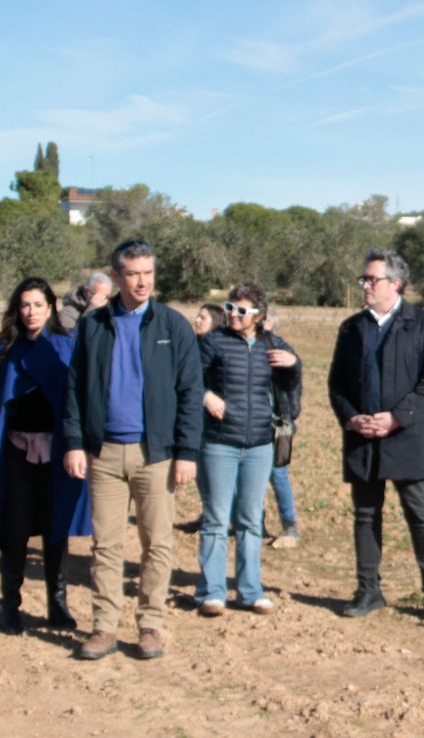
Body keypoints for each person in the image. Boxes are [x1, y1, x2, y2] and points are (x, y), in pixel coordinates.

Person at [62, 240, 203, 662]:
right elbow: (75, 388)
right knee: (105, 545)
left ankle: (150, 625)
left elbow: (190, 392)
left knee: (156, 544)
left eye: (148, 273)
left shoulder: (173, 326)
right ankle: (104, 627)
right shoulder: (93, 325)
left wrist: (187, 451)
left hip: (155, 455)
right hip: (103, 453)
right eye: (134, 274)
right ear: (117, 276)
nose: (142, 282)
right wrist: (74, 443)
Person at [327, 249, 424, 621]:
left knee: (418, 514)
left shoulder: (423, 323)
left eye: (371, 279)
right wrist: (352, 418)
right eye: (363, 279)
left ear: (395, 283)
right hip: (363, 438)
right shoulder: (352, 328)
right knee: (365, 515)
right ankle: (368, 591)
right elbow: (337, 384)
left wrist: (397, 418)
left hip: (407, 437)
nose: (364, 285)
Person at [0, 278, 89, 633]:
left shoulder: (67, 346)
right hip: (15, 452)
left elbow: (76, 401)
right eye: (24, 305)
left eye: (38, 305)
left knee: (56, 526)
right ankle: (11, 605)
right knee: (15, 527)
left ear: (51, 307)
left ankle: (57, 604)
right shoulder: (5, 348)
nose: (31, 312)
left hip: (57, 452)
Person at [195, 283, 300, 615]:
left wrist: (294, 364)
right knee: (216, 520)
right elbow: (188, 379)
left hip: (259, 446)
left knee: (251, 520)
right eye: (230, 308)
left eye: (242, 310)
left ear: (259, 315)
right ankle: (211, 592)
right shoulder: (215, 342)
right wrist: (206, 396)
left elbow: (289, 385)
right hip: (219, 443)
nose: (233, 315)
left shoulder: (271, 344)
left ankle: (250, 591)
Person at [175, 303, 226, 536]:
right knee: (202, 473)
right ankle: (209, 515)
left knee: (217, 475)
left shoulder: (221, 348)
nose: (196, 320)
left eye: (202, 317)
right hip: (197, 419)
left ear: (215, 322)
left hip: (218, 422)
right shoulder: (193, 346)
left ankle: (221, 519)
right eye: (197, 316)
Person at [261, 306, 302, 546]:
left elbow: (294, 387)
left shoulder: (283, 350)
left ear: (270, 324)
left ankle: (290, 526)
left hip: (281, 424)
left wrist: (289, 417)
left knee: (278, 473)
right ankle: (256, 524)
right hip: (261, 422)